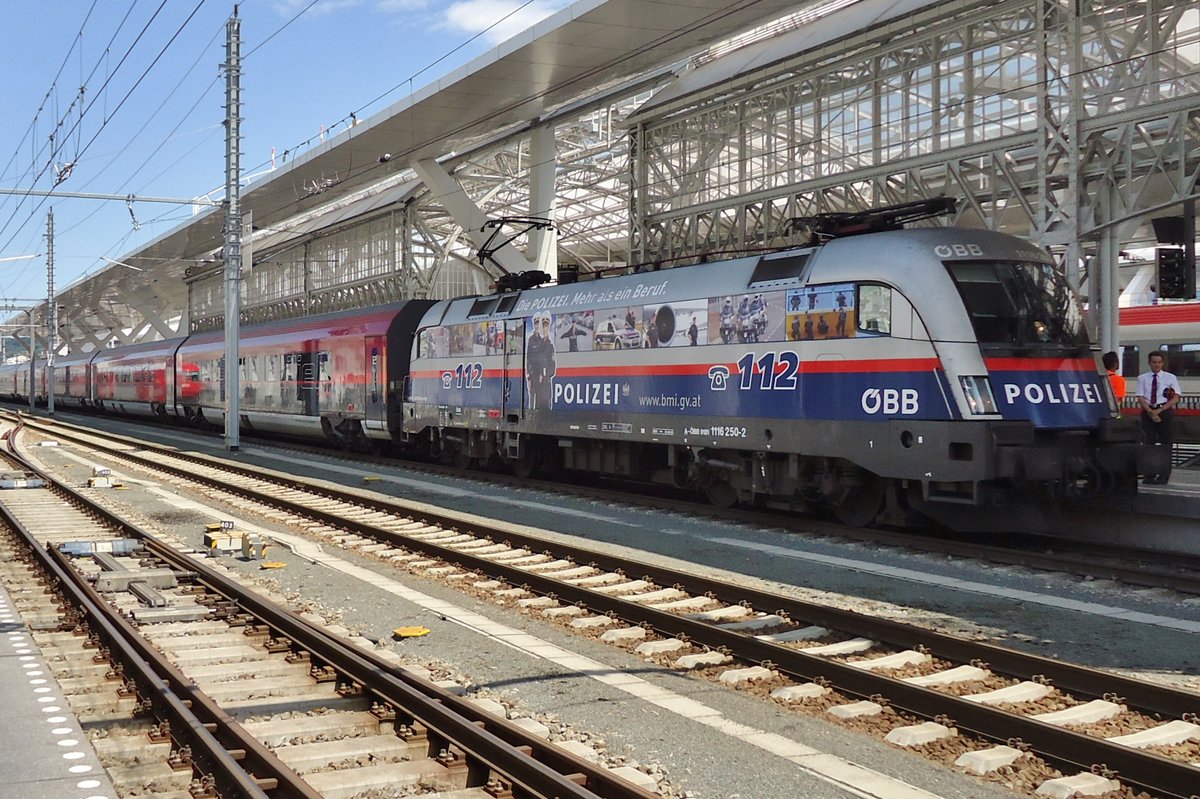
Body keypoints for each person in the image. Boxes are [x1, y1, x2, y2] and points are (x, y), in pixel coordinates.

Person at [1136, 350, 1181, 484]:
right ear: (1150, 363)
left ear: (1162, 363)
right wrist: (1150, 411)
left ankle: (1163, 475)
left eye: (1159, 362)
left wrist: (1160, 410)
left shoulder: (1170, 377)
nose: (1157, 365)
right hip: (1148, 411)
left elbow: (1176, 397)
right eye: (1154, 362)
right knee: (1149, 443)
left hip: (1164, 411)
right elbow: (1140, 397)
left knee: (1166, 443)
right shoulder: (1142, 378)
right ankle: (1149, 474)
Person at [526, 313, 556, 410]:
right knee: (535, 407)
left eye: (546, 326)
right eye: (543, 327)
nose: (544, 329)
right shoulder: (535, 342)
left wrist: (543, 375)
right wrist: (530, 377)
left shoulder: (550, 345)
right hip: (537, 383)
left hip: (545, 384)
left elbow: (552, 368)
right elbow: (531, 360)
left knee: (545, 408)